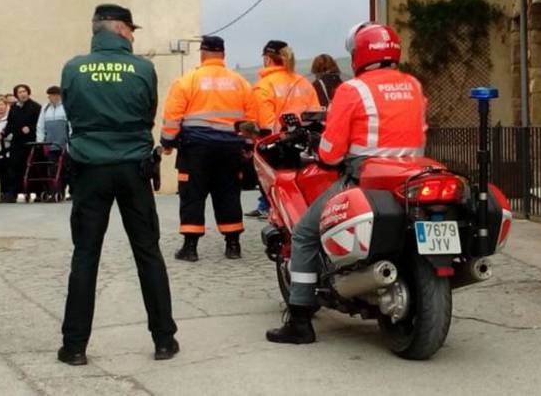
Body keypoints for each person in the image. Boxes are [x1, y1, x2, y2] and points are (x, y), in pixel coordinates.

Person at [265, 23, 428, 344]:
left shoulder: (354, 90)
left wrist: (323, 153)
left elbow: (330, 150)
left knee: (304, 235)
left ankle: (299, 319)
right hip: (411, 175)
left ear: (359, 54)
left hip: (364, 176)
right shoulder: (413, 84)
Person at [58, 4, 178, 366]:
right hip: (133, 167)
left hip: (89, 167)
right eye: (132, 29)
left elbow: (71, 109)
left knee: (85, 255)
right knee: (148, 252)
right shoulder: (143, 68)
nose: (133, 35)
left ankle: (75, 346)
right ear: (122, 30)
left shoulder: (73, 68)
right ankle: (163, 340)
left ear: (98, 30)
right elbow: (148, 112)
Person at [161, 36, 257, 262]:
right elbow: (251, 119)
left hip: (195, 149)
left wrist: (167, 143)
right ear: (223, 55)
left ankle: (190, 248)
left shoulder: (187, 81)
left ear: (202, 54)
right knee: (228, 194)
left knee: (192, 195)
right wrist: (248, 146)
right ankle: (233, 245)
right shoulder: (240, 82)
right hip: (230, 149)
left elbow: (172, 117)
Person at [244, 40, 320, 219]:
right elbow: (315, 116)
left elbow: (266, 125)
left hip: (278, 150)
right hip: (306, 148)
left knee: (279, 200)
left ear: (268, 59)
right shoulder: (303, 83)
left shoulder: (264, 86)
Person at [1, 84, 41, 202]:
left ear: (28, 92)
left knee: (33, 168)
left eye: (24, 91)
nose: (22, 94)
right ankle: (13, 193)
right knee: (14, 167)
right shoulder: (14, 108)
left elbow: (40, 124)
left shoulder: (36, 107)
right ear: (16, 95)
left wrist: (30, 128)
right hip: (17, 142)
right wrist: (2, 134)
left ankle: (38, 193)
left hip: (31, 143)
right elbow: (10, 124)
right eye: (20, 92)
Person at [36, 85, 69, 199]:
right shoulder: (45, 109)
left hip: (63, 143)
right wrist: (40, 142)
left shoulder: (65, 107)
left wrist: (70, 140)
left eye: (56, 95)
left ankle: (63, 189)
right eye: (51, 95)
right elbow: (40, 126)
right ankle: (54, 190)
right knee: (52, 168)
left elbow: (70, 125)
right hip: (49, 144)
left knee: (64, 167)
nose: (54, 97)